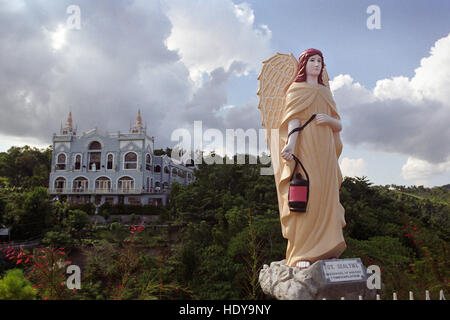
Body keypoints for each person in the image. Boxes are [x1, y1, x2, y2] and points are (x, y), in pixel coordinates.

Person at [277, 48, 346, 269]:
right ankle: (303, 252)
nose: (317, 64)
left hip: (325, 150)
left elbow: (339, 125)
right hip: (306, 149)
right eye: (312, 60)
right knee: (309, 196)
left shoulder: (326, 93)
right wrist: (290, 144)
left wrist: (328, 120)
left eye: (320, 61)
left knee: (327, 195)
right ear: (304, 64)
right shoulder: (296, 90)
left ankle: (328, 246)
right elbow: (294, 121)